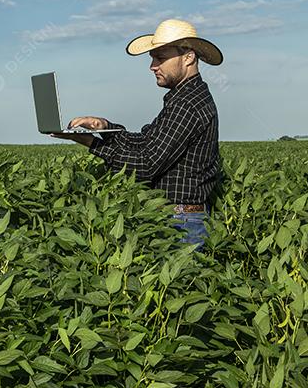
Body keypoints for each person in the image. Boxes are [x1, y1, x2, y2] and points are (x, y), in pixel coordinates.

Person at [52, 19, 222, 248]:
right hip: (180, 219)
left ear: (188, 57)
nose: (152, 66)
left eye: (160, 58)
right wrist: (104, 127)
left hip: (182, 224)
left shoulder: (187, 104)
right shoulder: (184, 98)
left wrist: (90, 143)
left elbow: (145, 165)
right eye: (152, 58)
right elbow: (146, 141)